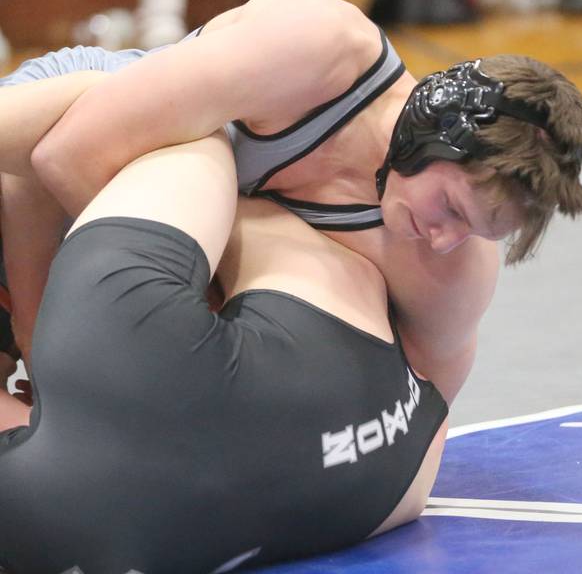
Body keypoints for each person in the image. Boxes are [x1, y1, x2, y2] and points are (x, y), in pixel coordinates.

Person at [1, 0, 582, 414]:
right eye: (451, 207)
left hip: (141, 238)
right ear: (430, 130)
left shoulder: (454, 270)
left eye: (480, 231)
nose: (446, 239)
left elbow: (417, 431)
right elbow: (62, 157)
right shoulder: (318, 52)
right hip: (62, 141)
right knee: (196, 163)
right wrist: (44, 350)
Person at [0, 128, 449, 573]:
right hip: (371, 451)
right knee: (183, 128)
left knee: (183, 129)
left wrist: (29, 320)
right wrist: (31, 322)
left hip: (372, 445)